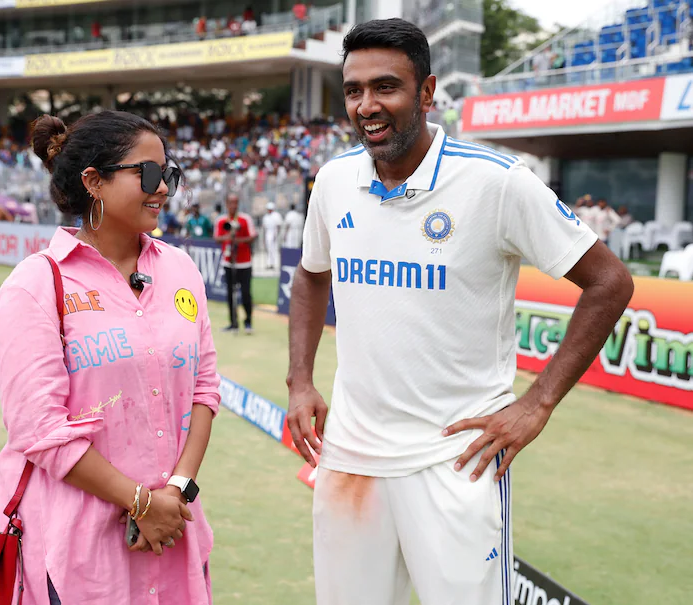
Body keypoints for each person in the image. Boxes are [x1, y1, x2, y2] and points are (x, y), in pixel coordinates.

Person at [285, 18, 634, 605]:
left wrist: (537, 402)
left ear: (427, 92)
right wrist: (299, 380)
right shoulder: (335, 180)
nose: (367, 105)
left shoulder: (496, 183)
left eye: (386, 87)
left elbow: (610, 282)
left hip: (456, 459)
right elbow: (310, 274)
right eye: (353, 91)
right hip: (350, 453)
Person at [0, 111, 220, 605]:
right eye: (149, 174)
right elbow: (41, 432)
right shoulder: (34, 286)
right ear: (93, 181)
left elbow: (205, 388)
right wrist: (139, 503)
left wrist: (174, 493)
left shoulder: (179, 268)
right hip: (78, 555)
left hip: (173, 533)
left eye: (169, 175)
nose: (163, 190)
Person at [214, 193, 256, 333]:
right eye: (231, 202)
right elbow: (217, 238)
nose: (233, 205)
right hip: (228, 262)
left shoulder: (245, 219)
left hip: (245, 262)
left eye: (236, 202)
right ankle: (233, 323)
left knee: (245, 293)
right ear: (226, 204)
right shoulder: (221, 220)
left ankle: (248, 322)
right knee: (230, 294)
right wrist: (229, 237)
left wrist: (237, 241)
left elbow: (253, 236)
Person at [261, 202, 283, 269]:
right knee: (268, 249)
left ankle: (273, 263)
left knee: (274, 249)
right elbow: (264, 228)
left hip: (274, 232)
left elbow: (278, 226)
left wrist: (276, 235)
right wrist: (264, 237)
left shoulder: (276, 215)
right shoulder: (266, 217)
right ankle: (269, 263)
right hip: (268, 233)